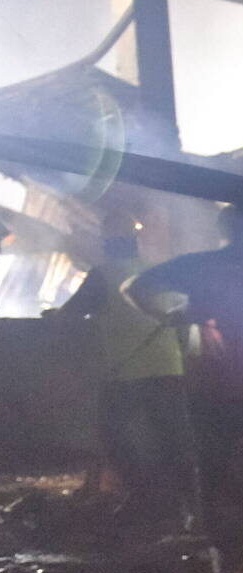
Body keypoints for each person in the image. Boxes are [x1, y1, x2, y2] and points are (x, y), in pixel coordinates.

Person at [130, 204, 243, 562]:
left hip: (237, 381)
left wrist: (170, 314)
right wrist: (172, 314)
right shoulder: (233, 265)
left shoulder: (216, 265)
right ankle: (227, 543)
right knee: (219, 462)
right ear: (242, 231)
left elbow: (137, 288)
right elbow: (136, 287)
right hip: (224, 383)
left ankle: (238, 516)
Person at [54, 205, 201, 536]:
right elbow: (181, 315)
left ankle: (149, 500)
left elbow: (69, 316)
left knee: (117, 437)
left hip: (127, 372)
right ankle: (191, 507)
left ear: (106, 240)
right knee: (175, 440)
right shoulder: (153, 270)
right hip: (168, 367)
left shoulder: (102, 275)